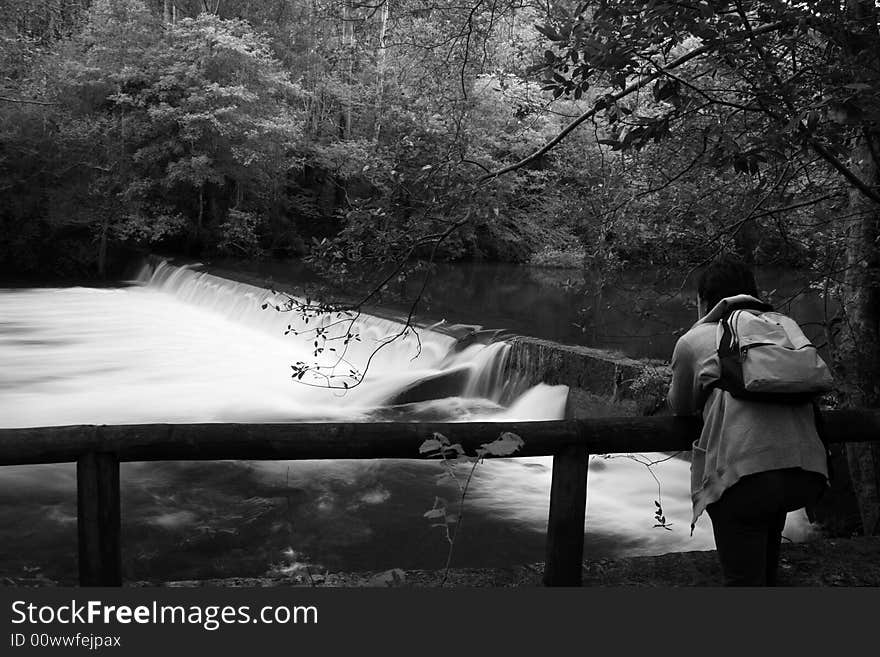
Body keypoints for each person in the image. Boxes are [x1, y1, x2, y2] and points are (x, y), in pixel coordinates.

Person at [667, 255, 828, 586]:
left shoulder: (695, 341)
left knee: (743, 581)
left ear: (703, 301)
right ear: (754, 294)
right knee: (766, 569)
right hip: (803, 472)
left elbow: (679, 406)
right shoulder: (781, 328)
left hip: (741, 478)